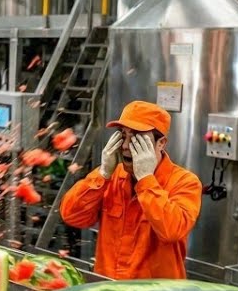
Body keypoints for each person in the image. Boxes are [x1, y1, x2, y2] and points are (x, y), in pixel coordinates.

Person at [60, 100, 202, 280]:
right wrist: (102, 173)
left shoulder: (184, 182)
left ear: (161, 143)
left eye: (137, 138)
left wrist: (146, 180)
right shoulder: (111, 177)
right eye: (123, 136)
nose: (126, 146)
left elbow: (171, 230)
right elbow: (71, 215)